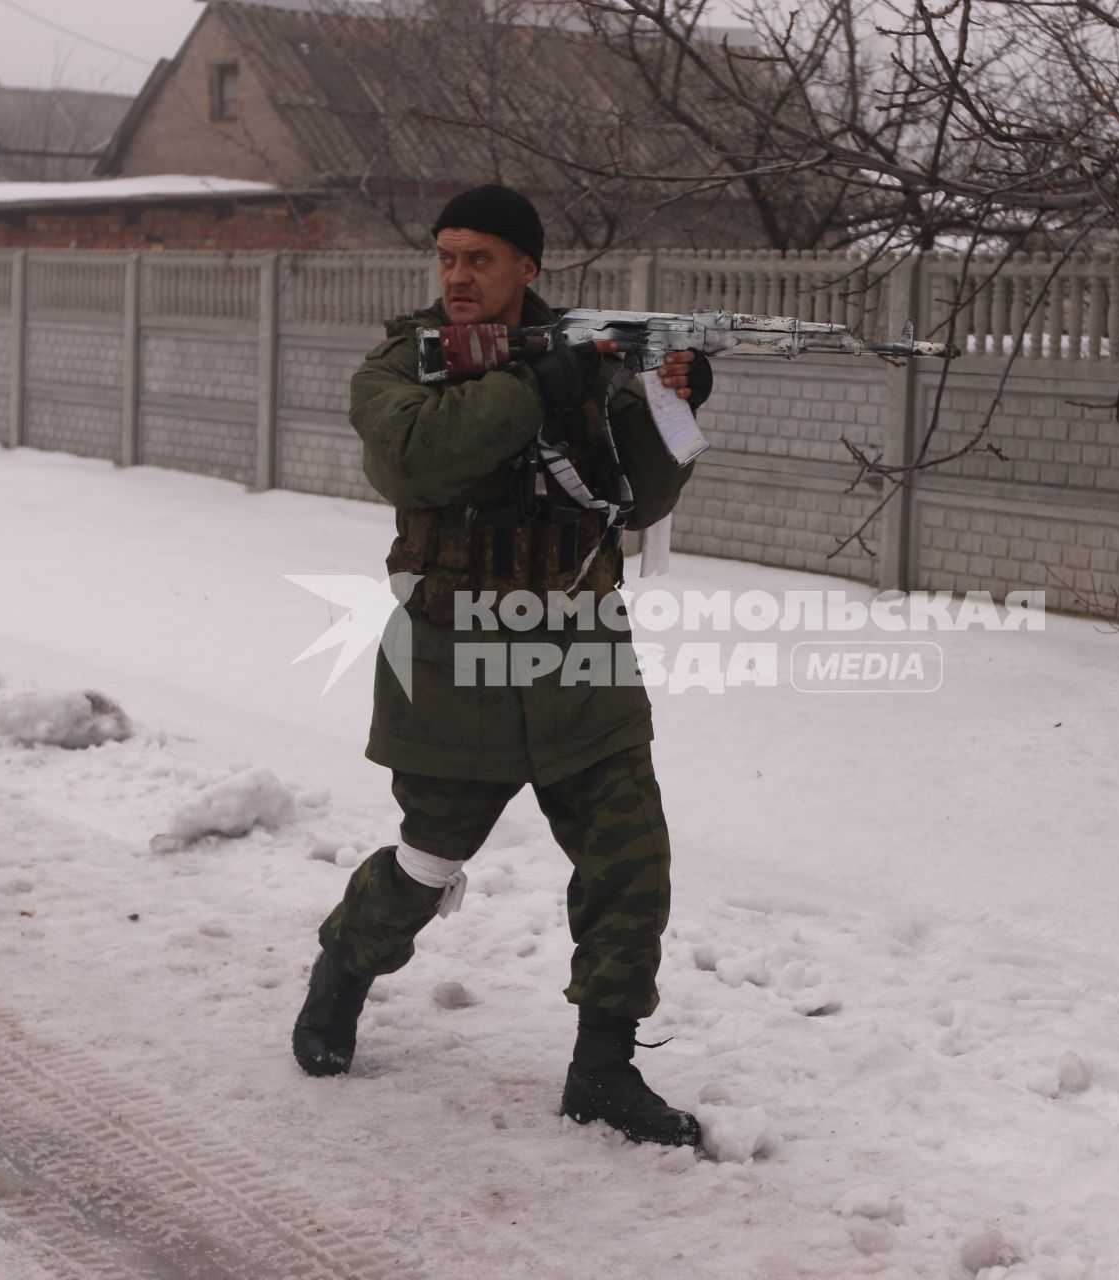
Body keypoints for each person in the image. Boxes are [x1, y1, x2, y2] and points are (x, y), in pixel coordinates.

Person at [292, 184, 712, 1148]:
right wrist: (533, 386)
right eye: (447, 257)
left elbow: (636, 501)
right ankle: (343, 969)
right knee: (429, 859)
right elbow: (411, 459)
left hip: (578, 655)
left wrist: (668, 406)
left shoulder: (591, 353)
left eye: (480, 258)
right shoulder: (404, 363)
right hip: (450, 658)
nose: (458, 275)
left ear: (529, 267)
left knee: (631, 864)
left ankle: (603, 1070)